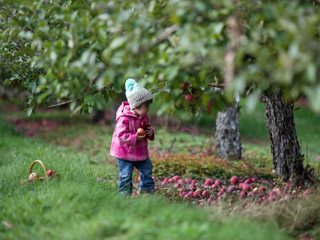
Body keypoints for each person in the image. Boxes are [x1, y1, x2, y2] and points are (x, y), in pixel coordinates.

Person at [110, 78, 155, 195]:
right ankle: (124, 196)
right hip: (125, 153)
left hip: (139, 151)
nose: (148, 109)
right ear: (136, 107)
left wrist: (150, 131)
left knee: (147, 168)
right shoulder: (124, 118)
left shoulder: (144, 117)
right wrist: (135, 137)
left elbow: (147, 127)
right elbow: (121, 135)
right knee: (126, 174)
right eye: (146, 106)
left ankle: (147, 190)